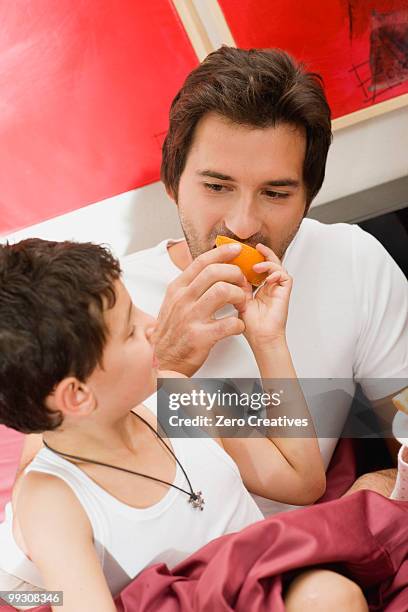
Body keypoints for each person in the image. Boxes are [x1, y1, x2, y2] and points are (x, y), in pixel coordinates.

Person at [120, 46, 407, 512]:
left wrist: (383, 485)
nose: (243, 223)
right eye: (216, 187)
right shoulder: (112, 300)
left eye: (275, 193)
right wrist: (163, 363)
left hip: (320, 557)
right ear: (172, 181)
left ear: (308, 198)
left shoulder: (351, 259)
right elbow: (72, 493)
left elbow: (401, 429)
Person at [0, 238, 328, 611]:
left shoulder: (175, 394)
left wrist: (268, 341)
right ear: (77, 395)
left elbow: (303, 481)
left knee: (329, 594)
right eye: (130, 331)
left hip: (267, 585)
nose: (155, 324)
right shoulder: (52, 499)